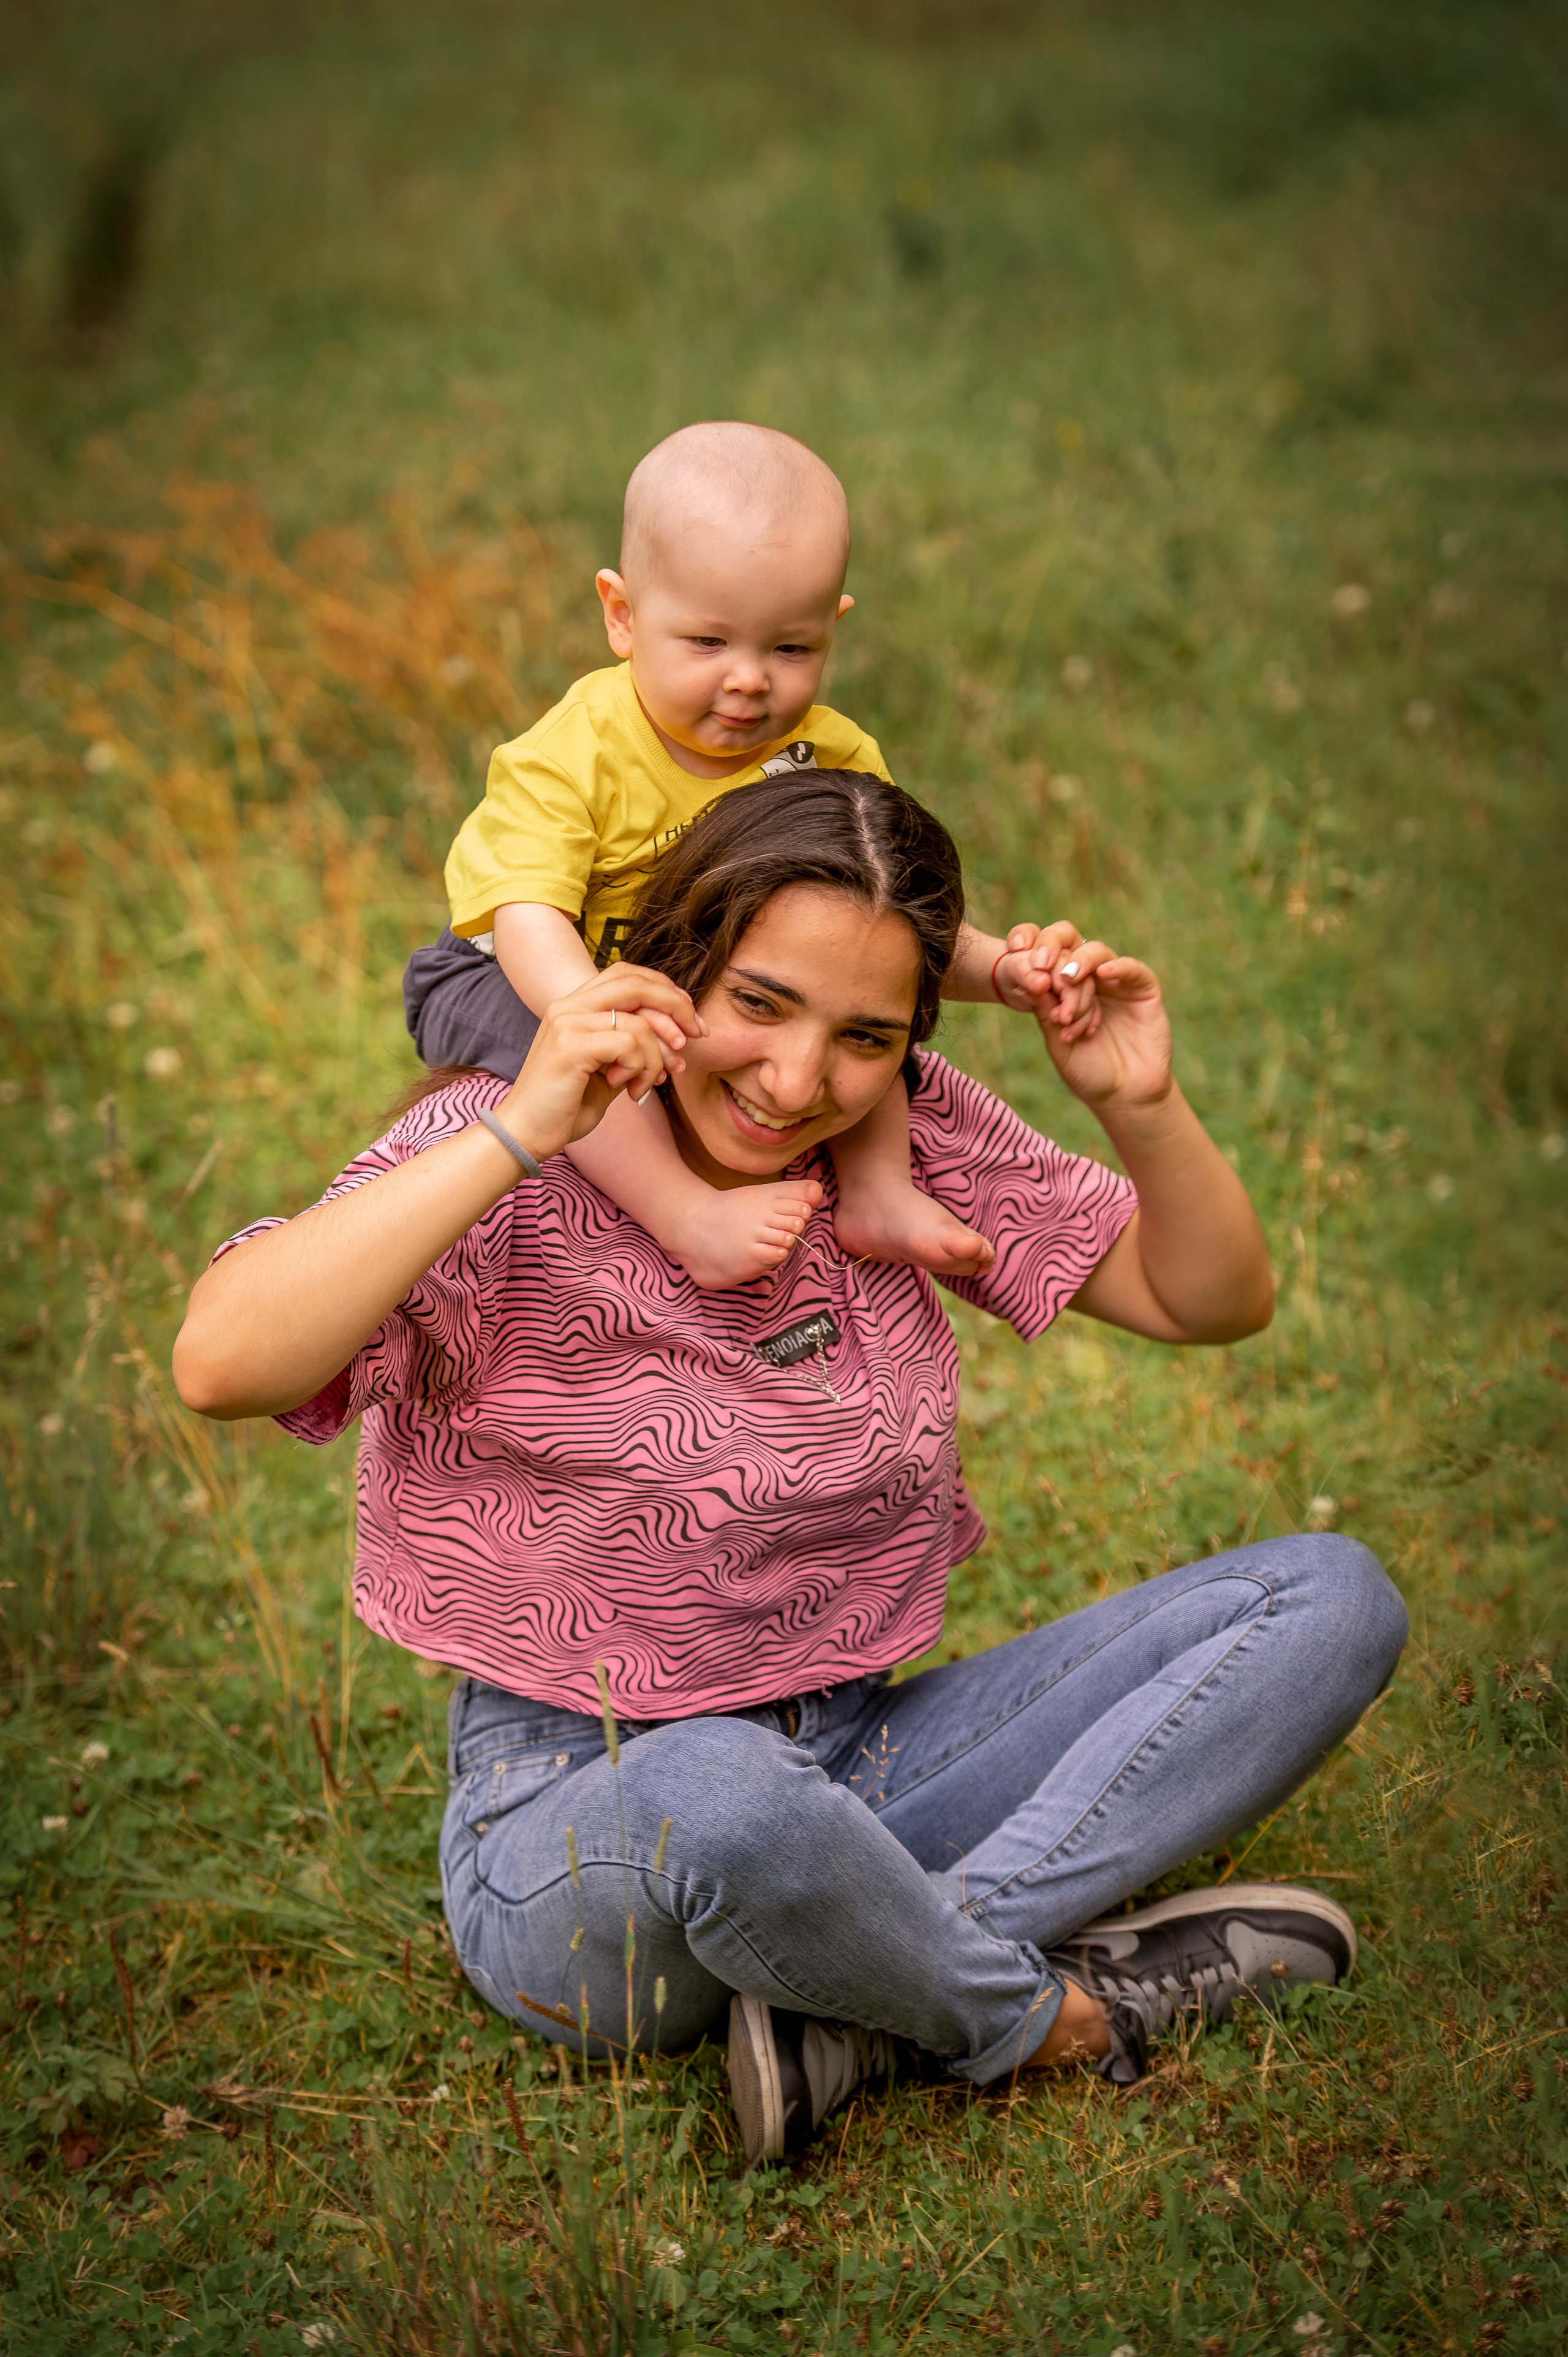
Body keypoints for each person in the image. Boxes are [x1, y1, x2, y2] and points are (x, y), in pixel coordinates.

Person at [175, 771, 1408, 2170]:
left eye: (864, 1037)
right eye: (756, 1003)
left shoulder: (897, 1137)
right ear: (670, 960)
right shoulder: (511, 1142)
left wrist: (1142, 1102)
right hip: (585, 1826)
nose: (796, 1081)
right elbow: (222, 1363)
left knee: (1327, 1599)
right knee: (726, 1795)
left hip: (858, 1750)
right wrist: (516, 1127)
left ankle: (868, 1998)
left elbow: (1205, 1297)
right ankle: (1023, 2013)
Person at [403, 419, 1092, 1292]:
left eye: (791, 649)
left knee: (856, 992)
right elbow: (527, 915)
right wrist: (592, 1012)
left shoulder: (831, 754)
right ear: (622, 615)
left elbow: (889, 924)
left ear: (833, 628)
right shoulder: (573, 753)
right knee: (574, 1048)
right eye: (708, 642)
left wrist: (1001, 972)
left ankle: (878, 1190)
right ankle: (681, 1213)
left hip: (694, 980)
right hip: (514, 971)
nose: (750, 680)